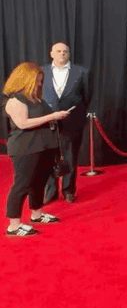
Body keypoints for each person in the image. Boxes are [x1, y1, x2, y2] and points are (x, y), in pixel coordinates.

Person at [3, 62, 71, 236]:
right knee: (22, 184)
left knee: (39, 182)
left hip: (44, 146)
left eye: (40, 80)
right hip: (25, 148)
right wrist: (52, 116)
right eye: (37, 80)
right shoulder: (15, 100)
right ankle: (13, 225)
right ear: (25, 79)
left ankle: (37, 214)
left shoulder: (36, 98)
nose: (40, 84)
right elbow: (23, 123)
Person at [41, 41, 90, 203]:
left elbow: (87, 96)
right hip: (47, 121)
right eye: (58, 51)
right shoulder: (41, 71)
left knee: (70, 156)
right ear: (51, 54)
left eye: (65, 51)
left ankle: (68, 190)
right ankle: (50, 191)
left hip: (72, 121)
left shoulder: (81, 72)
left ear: (69, 54)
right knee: (48, 157)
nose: (62, 54)